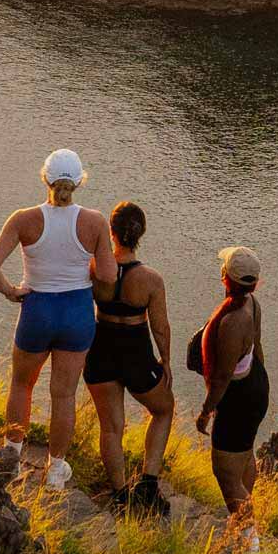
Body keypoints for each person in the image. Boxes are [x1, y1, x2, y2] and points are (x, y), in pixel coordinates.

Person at [0, 148, 112, 492]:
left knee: (22, 385)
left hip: (36, 310)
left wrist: (11, 291)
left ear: (46, 178)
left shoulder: (23, 219)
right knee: (64, 396)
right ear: (79, 182)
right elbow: (110, 276)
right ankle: (55, 472)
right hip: (77, 313)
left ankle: (11, 454)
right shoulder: (95, 221)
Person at [82, 200, 178, 512]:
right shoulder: (150, 279)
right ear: (141, 233)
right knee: (163, 409)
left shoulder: (94, 267)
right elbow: (160, 327)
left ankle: (121, 495)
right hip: (135, 352)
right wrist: (165, 362)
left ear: (111, 231)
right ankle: (148, 484)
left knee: (111, 426)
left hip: (101, 348)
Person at [189, 244, 272, 553]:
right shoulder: (252, 303)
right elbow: (258, 346)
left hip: (237, 397)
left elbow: (222, 378)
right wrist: (262, 385)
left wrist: (206, 411)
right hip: (255, 383)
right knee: (245, 454)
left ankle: (250, 541)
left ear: (225, 277)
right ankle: (242, 524)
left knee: (225, 473)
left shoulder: (230, 322)